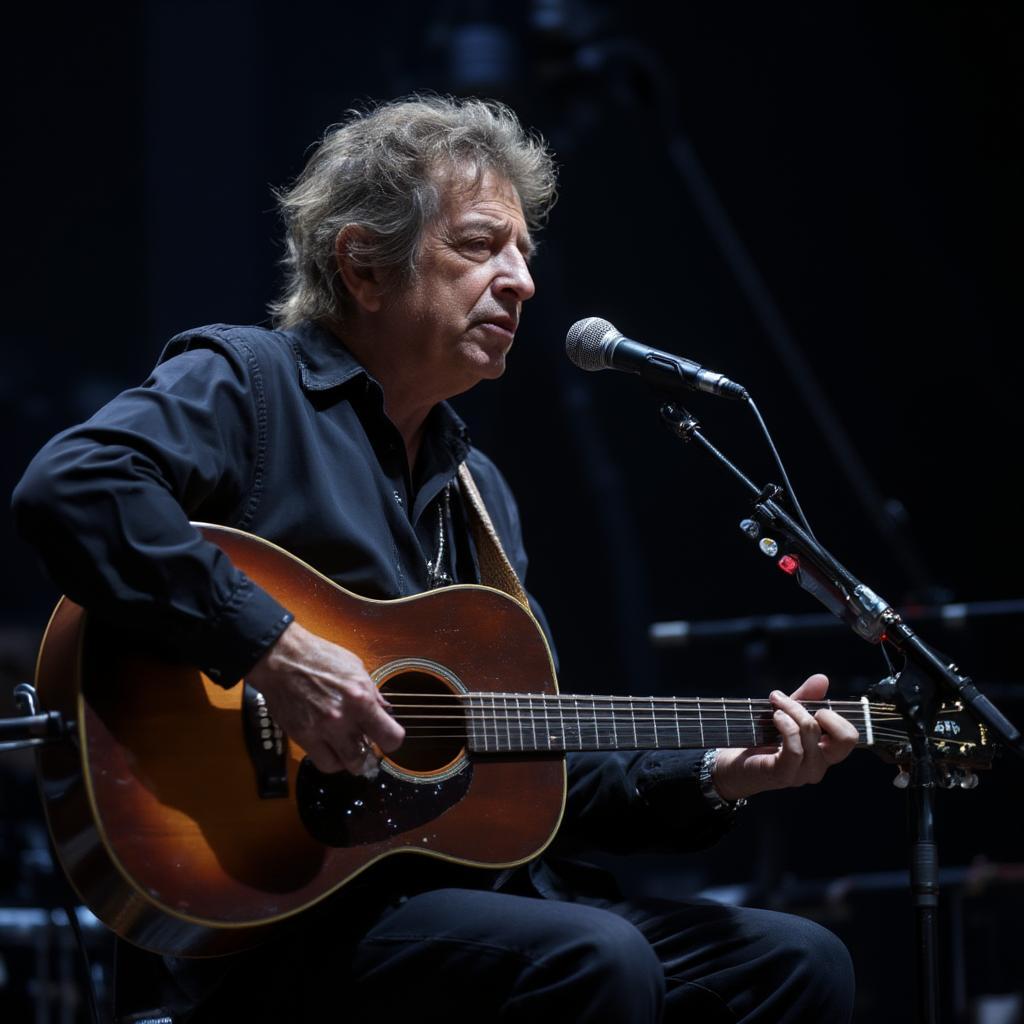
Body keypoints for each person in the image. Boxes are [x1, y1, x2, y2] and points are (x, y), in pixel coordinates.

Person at [13, 95, 858, 1022]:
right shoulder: (251, 387)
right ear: (364, 265)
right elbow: (77, 486)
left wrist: (718, 773)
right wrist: (274, 650)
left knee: (796, 960)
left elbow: (531, 776)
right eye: (481, 245)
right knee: (595, 956)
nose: (522, 281)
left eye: (526, 254)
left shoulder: (479, 492)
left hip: (473, 914)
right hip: (282, 917)